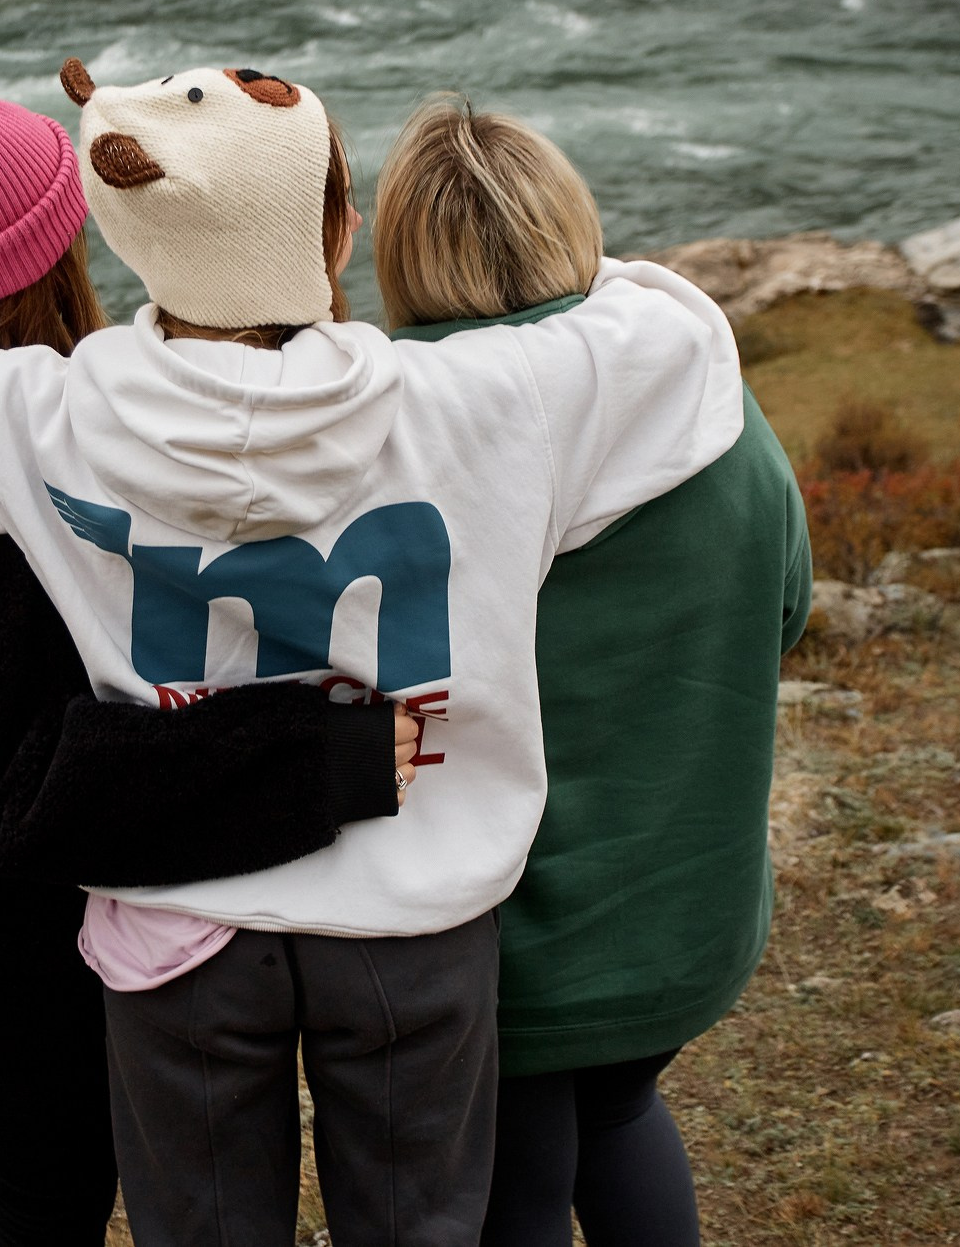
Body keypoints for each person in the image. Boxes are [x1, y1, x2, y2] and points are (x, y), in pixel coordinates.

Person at [0, 60, 746, 1247]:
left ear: (122, 227)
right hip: (413, 924)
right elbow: (676, 335)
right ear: (340, 227)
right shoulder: (479, 395)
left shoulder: (45, 415)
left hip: (179, 935)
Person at [0, 88, 420, 1247]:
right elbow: (36, 786)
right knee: (55, 1153)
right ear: (59, 254)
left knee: (20, 1125)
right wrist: (325, 750)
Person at [371, 96, 810, 1247]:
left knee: (513, 1174)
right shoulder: (709, 394)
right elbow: (787, 606)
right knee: (617, 1109)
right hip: (689, 910)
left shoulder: (398, 434)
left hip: (506, 934)